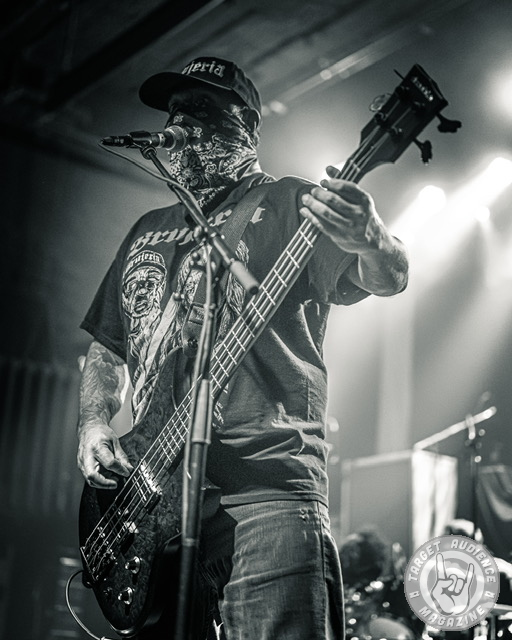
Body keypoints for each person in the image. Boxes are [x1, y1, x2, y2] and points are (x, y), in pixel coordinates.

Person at [76, 56, 409, 640]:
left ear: (244, 127)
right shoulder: (147, 228)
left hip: (267, 490)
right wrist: (94, 422)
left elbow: (388, 278)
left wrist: (373, 238)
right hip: (157, 496)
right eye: (175, 111)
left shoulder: (290, 203)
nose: (180, 124)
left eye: (200, 110)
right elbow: (108, 347)